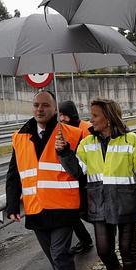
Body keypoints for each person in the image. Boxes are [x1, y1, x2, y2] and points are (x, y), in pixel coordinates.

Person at [57, 98, 136, 270]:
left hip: (126, 203)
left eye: (95, 116)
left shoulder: (132, 141)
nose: (91, 120)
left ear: (109, 118)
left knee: (127, 249)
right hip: (99, 203)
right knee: (103, 250)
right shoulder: (86, 143)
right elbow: (76, 172)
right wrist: (64, 153)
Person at [5, 91, 83, 270]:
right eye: (36, 105)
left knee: (60, 254)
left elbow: (81, 171)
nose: (40, 109)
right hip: (36, 207)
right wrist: (11, 203)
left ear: (55, 108)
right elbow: (14, 173)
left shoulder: (70, 134)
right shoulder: (21, 137)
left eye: (45, 105)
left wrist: (65, 152)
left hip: (63, 206)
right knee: (53, 256)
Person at [58, 100, 94, 254]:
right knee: (72, 213)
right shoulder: (63, 130)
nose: (62, 118)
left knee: (85, 212)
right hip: (71, 178)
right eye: (59, 115)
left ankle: (105, 229)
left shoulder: (86, 129)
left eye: (64, 115)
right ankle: (86, 240)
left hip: (86, 178)